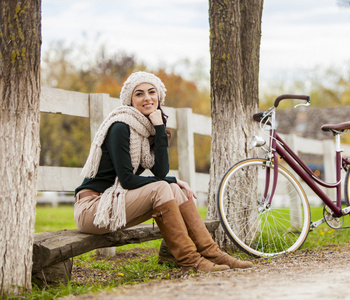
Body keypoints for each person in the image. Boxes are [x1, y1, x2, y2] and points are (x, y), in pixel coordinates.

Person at [74, 71, 252, 273]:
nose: (147, 98)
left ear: (158, 96)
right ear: (130, 100)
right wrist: (170, 179)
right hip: (94, 209)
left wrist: (159, 127)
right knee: (164, 186)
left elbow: (160, 171)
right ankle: (190, 261)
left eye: (152, 92)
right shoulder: (120, 127)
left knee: (174, 189)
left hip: (116, 204)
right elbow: (127, 180)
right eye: (139, 94)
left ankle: (212, 253)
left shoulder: (146, 129)